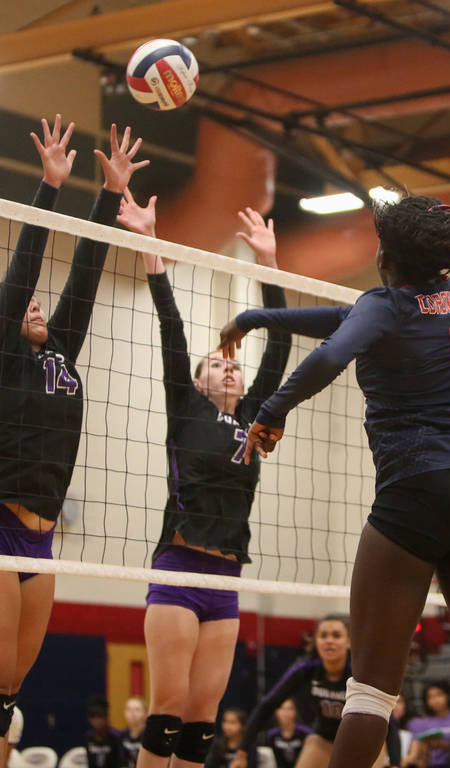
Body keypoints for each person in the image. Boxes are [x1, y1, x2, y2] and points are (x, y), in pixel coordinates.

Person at [229, 194, 450, 768]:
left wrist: (273, 410)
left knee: (369, 692)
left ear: (386, 255)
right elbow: (350, 318)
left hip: (419, 487)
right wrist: (262, 316)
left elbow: (334, 353)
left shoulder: (386, 305)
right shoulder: (447, 297)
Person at [0, 116, 147, 768]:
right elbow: (28, 267)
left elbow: (85, 271)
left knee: (11, 692)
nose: (33, 306)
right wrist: (51, 187)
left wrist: (108, 195)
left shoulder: (61, 355)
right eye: (18, 303)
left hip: (40, 538)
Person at [115, 194, 291, 768]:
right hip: (180, 570)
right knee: (166, 710)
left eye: (233, 364)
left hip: (226, 578)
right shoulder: (185, 409)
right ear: (197, 381)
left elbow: (282, 342)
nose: (230, 366)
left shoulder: (253, 417)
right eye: (217, 363)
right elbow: (171, 327)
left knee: (202, 723)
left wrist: (268, 264)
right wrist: (150, 244)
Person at [234, 616, 398, 768]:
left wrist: (395, 763)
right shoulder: (306, 668)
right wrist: (242, 752)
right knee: (312, 742)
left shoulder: (360, 673)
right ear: (316, 641)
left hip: (363, 743)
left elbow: (388, 719)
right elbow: (267, 706)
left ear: (349, 642)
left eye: (336, 635)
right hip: (323, 741)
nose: (329, 641)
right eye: (323, 635)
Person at [405, 682, 450, 768]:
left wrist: (444, 745)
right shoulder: (419, 723)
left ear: (448, 696)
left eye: (439, 695)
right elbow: (415, 755)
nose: (436, 700)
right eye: (430, 697)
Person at [262, 700, 313, 768]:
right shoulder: (270, 736)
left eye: (289, 709)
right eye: (283, 709)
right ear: (277, 712)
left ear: (295, 712)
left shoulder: (306, 733)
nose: (286, 713)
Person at [87, 696, 127, 768]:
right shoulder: (88, 738)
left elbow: (122, 763)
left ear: (106, 718)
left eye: (100, 717)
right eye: (93, 717)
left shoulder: (116, 738)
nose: (97, 721)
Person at [119, 696, 147, 768]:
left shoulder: (151, 737)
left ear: (145, 713)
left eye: (137, 710)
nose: (132, 713)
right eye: (129, 709)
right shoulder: (120, 736)